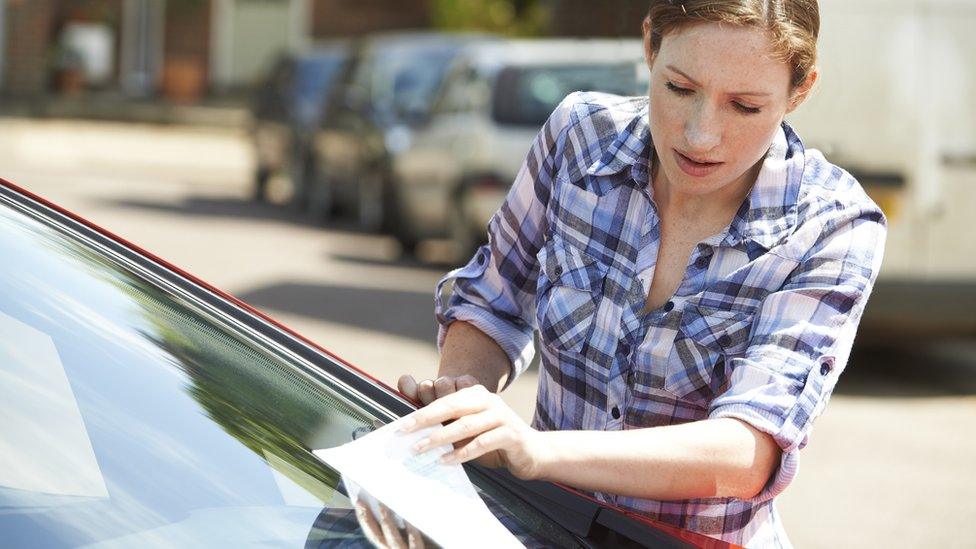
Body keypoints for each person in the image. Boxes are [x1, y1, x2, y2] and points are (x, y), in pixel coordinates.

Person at [366, 1, 887, 546]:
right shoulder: (579, 137)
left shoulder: (835, 226)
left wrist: (538, 452)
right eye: (680, 89)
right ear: (649, 48)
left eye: (744, 106)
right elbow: (492, 299)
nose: (701, 134)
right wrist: (464, 399)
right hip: (545, 527)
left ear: (799, 91)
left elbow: (749, 450)